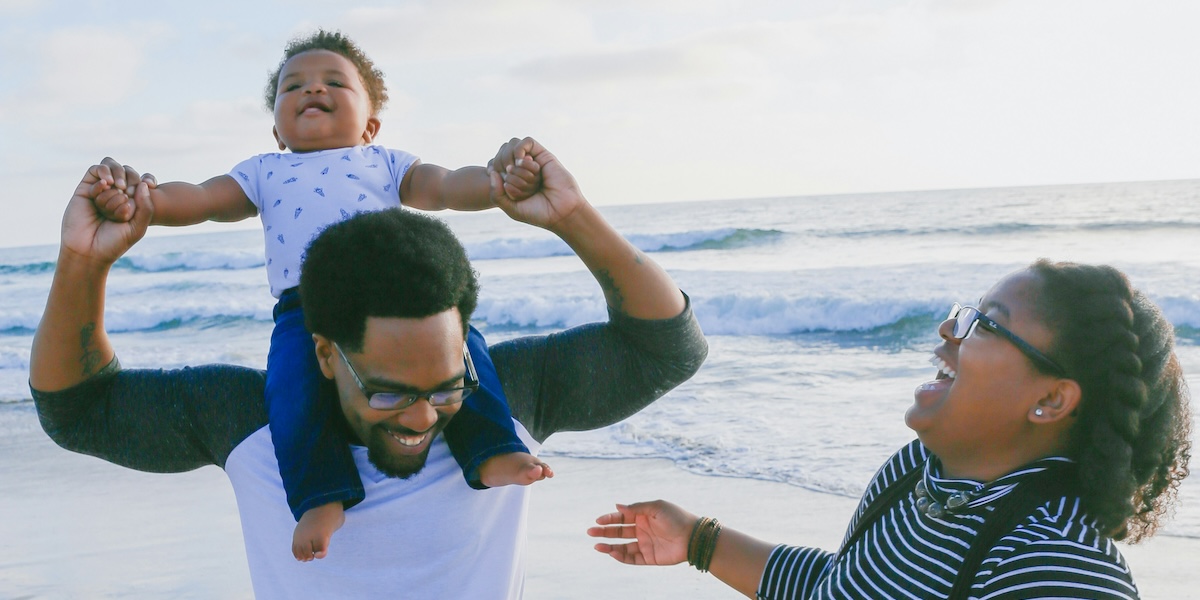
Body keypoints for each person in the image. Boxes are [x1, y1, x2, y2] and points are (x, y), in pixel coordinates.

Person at [31, 137, 708, 598]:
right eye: (387, 393)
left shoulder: (506, 396)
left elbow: (668, 347)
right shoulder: (250, 419)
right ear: (324, 353)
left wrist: (573, 217)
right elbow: (79, 409)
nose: (421, 416)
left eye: (445, 387)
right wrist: (85, 264)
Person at [87, 29, 548, 561]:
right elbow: (203, 199)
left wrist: (496, 184)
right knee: (290, 392)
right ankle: (320, 496)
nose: (312, 91)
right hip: (304, 310)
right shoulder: (264, 171)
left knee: (466, 354)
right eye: (293, 87)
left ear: (371, 126)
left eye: (334, 82)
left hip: (393, 298)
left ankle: (493, 450)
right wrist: (143, 199)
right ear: (277, 130)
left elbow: (445, 185)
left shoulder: (387, 163)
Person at [589, 262, 1191, 599]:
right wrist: (697, 539)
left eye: (986, 324)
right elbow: (842, 588)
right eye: (967, 310)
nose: (949, 329)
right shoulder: (916, 475)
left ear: (1051, 400)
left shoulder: (1056, 572)